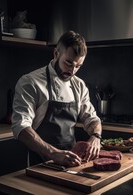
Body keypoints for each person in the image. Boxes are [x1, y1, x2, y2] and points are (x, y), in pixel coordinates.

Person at [11, 30, 102, 167]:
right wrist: (54, 154)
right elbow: (21, 127)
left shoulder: (79, 85)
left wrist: (96, 137)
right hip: (39, 163)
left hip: (72, 162)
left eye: (78, 66)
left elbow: (92, 119)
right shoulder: (30, 82)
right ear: (56, 53)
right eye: (69, 63)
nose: (72, 71)